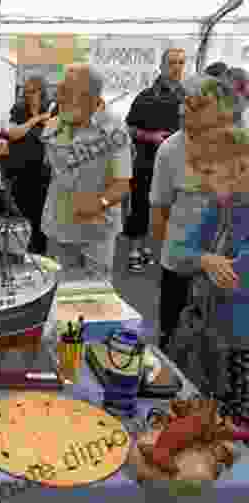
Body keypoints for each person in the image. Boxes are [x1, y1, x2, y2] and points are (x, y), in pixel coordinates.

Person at [150, 74, 240, 353]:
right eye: (185, 105)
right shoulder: (170, 150)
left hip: (229, 268)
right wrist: (165, 258)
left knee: (222, 352)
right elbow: (159, 211)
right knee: (172, 344)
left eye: (196, 106)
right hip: (180, 265)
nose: (184, 111)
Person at [167, 125, 249, 405]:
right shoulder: (221, 206)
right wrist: (205, 259)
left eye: (210, 173)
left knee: (235, 429)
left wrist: (200, 262)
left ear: (240, 168)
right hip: (207, 336)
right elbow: (176, 253)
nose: (203, 183)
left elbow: (235, 279)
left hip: (239, 345)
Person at [41, 64, 132, 283]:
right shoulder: (53, 126)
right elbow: (53, 170)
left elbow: (122, 185)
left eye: (67, 90)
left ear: (90, 97)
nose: (59, 95)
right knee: (57, 293)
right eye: (60, 89)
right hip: (58, 227)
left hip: (96, 232)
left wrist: (99, 202)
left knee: (95, 296)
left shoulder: (114, 130)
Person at [124, 48, 186, 273]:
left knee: (166, 208)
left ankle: (151, 249)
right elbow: (129, 128)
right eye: (172, 63)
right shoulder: (146, 96)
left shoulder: (187, 96)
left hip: (178, 164)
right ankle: (134, 250)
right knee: (140, 205)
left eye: (181, 63)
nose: (177, 68)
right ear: (161, 66)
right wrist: (152, 137)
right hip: (147, 160)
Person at [0, 75, 54, 254]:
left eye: (33, 91)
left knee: (40, 219)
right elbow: (13, 134)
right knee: (20, 217)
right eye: (26, 92)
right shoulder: (19, 109)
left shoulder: (53, 109)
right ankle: (20, 252)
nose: (28, 95)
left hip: (43, 173)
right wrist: (35, 120)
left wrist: (48, 124)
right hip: (18, 171)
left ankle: (38, 256)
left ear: (42, 92)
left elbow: (56, 137)